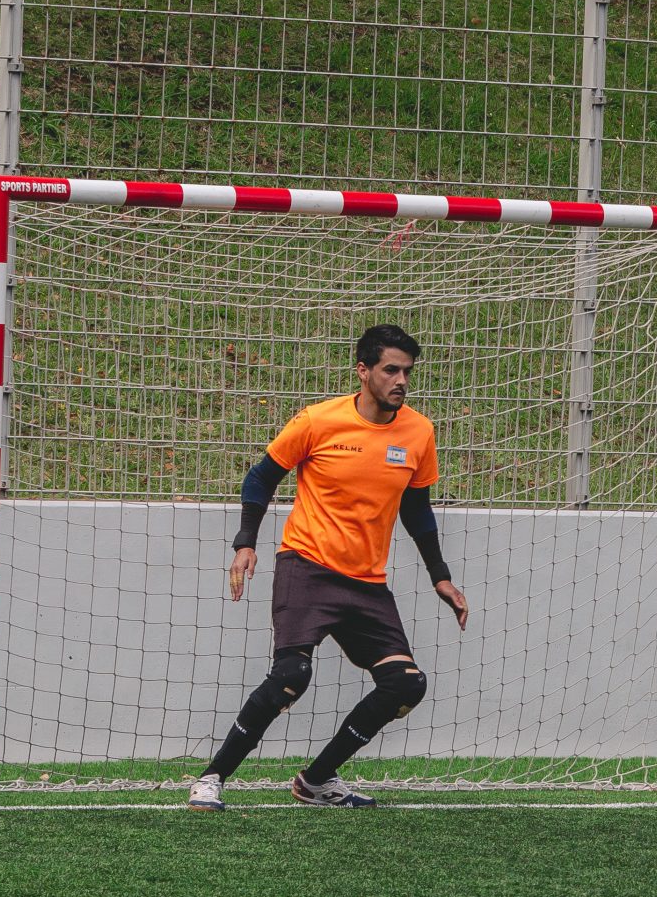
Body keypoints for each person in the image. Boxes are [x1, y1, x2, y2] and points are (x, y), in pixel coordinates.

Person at [189, 324, 472, 811]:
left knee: (406, 683)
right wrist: (245, 543)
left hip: (367, 584)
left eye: (407, 371)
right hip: (307, 567)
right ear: (363, 372)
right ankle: (212, 776)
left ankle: (316, 780)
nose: (401, 380)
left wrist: (440, 576)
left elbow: (417, 511)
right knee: (290, 676)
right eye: (390, 369)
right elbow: (261, 478)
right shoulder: (318, 421)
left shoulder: (419, 432)